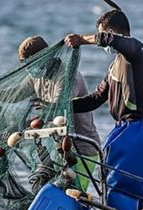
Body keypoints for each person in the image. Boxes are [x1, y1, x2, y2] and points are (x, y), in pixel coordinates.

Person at [64, 9, 143, 210]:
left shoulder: (136, 50)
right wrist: (62, 105)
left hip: (137, 129)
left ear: (112, 32)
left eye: (103, 35)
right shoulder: (113, 67)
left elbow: (107, 40)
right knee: (122, 189)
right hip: (126, 132)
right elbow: (95, 99)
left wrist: (81, 39)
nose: (104, 45)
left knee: (120, 188)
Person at [18, 36, 101, 192]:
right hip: (57, 150)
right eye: (25, 64)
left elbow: (60, 109)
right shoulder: (36, 77)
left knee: (75, 195)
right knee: (54, 193)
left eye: (31, 63)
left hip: (82, 149)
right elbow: (16, 93)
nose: (29, 68)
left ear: (46, 57)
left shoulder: (69, 76)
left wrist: (47, 108)